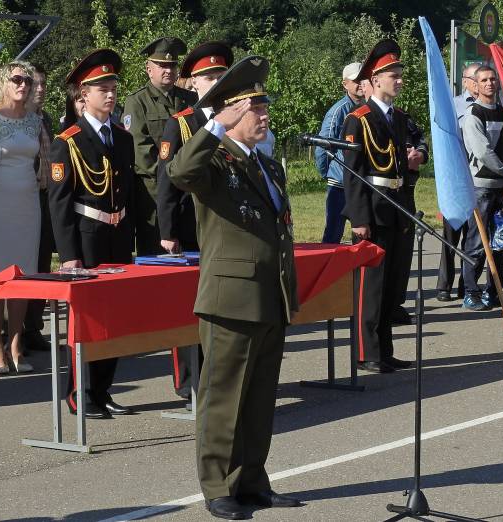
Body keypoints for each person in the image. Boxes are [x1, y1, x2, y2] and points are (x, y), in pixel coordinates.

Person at [167, 56, 301, 519]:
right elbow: (179, 173)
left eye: (265, 108)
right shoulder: (215, 161)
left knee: (259, 397)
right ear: (231, 113)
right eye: (255, 109)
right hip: (231, 296)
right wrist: (215, 127)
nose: (265, 116)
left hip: (270, 294)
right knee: (223, 397)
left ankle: (252, 479)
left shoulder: (266, 163)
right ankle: (217, 485)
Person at [48, 49, 135, 420]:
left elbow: (129, 192)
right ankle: (78, 392)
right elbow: (59, 203)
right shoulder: (67, 141)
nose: (111, 93)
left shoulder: (122, 137)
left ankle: (103, 389)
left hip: (117, 236)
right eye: (102, 87)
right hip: (86, 236)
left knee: (114, 318)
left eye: (113, 86)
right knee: (86, 320)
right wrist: (69, 254)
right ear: (83, 95)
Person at [156, 40, 233, 404]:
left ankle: (218, 376)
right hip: (189, 227)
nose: (215, 83)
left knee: (222, 306)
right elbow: (167, 183)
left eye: (220, 76)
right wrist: (168, 232)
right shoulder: (181, 125)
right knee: (191, 307)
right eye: (208, 77)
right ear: (193, 84)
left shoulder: (233, 120)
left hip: (224, 225)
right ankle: (189, 380)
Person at [341, 39, 414, 374]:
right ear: (375, 80)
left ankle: (384, 349)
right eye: (392, 75)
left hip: (397, 205)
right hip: (372, 208)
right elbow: (353, 174)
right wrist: (359, 217)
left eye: (400, 74)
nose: (399, 79)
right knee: (370, 287)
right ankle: (366, 351)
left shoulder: (398, 117)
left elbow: (402, 164)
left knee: (392, 284)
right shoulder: (359, 119)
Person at [0, 61, 41, 374]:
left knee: (23, 275)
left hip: (27, 205)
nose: (22, 85)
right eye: (16, 79)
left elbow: (46, 163)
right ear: (5, 82)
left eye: (27, 80)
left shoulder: (35, 120)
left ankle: (16, 345)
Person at [122, 37, 197, 255]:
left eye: (172, 65)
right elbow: (141, 152)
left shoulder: (191, 100)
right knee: (158, 262)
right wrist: (174, 177)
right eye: (162, 65)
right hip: (155, 199)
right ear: (149, 69)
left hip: (190, 195)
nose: (168, 70)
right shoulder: (136, 102)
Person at [460, 65, 503, 311]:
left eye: (493, 79)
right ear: (476, 85)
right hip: (481, 185)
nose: (490, 83)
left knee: (500, 240)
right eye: (484, 80)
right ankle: (471, 292)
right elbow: (483, 152)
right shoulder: (473, 114)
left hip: (501, 187)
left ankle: (494, 290)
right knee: (476, 242)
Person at [436, 63, 481, 301]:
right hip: (456, 178)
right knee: (450, 235)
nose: (477, 84)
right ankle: (444, 285)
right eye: (473, 79)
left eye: (480, 78)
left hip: (479, 179)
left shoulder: (490, 105)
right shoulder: (453, 106)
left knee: (474, 237)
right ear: (464, 81)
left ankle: (469, 285)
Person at [22, 64, 55, 352]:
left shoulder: (45, 118)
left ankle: (34, 326)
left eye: (44, 84)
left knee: (42, 264)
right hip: (23, 198)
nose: (41, 89)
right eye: (36, 84)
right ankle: (16, 327)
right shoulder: (18, 119)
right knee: (23, 264)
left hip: (46, 197)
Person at [315, 62, 363, 244]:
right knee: (333, 235)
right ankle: (327, 272)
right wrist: (328, 174)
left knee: (361, 236)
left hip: (360, 184)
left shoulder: (369, 107)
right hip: (340, 185)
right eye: (355, 80)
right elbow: (323, 145)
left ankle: (358, 273)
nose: (360, 83)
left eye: (362, 79)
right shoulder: (338, 111)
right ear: (345, 84)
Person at [391, 116, 428, 326]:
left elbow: (420, 139)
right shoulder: (360, 118)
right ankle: (381, 307)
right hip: (380, 193)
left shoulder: (402, 117)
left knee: (404, 250)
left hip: (406, 190)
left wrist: (419, 155)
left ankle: (396, 303)